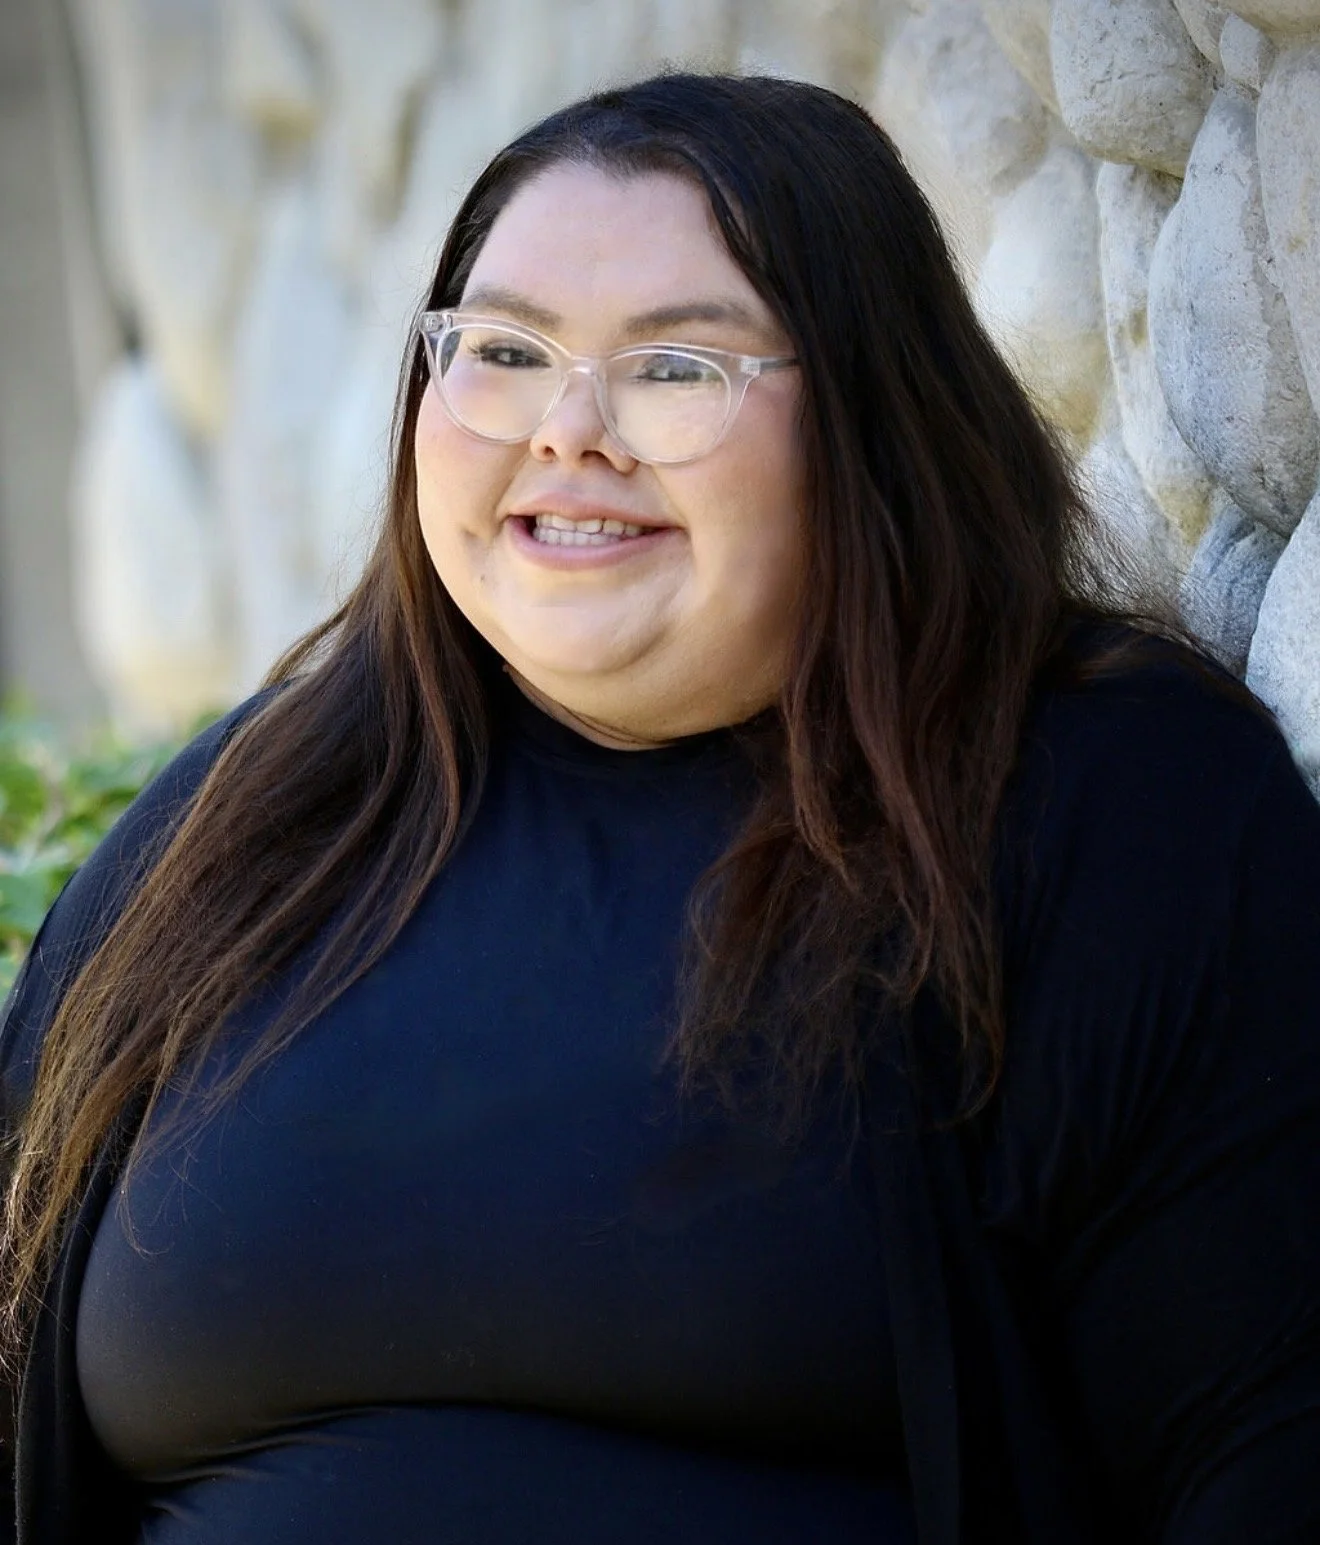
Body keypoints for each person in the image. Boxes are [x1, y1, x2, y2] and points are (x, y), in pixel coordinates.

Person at [2, 71, 1319, 1545]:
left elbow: (1268, 1449)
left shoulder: (1105, 808)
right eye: (502, 351)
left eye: (678, 369)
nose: (570, 432)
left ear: (874, 420)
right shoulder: (239, 831)